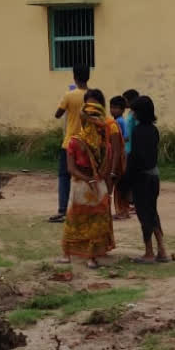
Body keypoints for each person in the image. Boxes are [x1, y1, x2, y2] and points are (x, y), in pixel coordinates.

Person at [56, 101, 116, 269]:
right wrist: (102, 185)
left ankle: (66, 255)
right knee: (95, 222)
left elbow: (71, 169)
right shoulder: (105, 146)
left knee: (74, 220)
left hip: (80, 187)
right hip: (98, 187)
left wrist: (87, 179)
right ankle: (91, 258)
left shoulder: (74, 142)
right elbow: (106, 170)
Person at [124, 95, 168, 263]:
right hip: (154, 175)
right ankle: (162, 249)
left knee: (144, 215)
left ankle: (149, 251)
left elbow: (135, 158)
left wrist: (127, 180)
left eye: (134, 111)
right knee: (152, 212)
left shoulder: (137, 132)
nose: (132, 114)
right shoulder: (153, 130)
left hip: (141, 178)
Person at [50, 64, 90, 223]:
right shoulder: (93, 96)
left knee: (64, 176)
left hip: (70, 142)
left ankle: (63, 211)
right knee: (86, 175)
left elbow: (57, 114)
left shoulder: (69, 95)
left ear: (74, 77)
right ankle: (85, 209)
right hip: (87, 143)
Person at [110, 95, 132, 220]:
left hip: (119, 156)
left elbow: (125, 137)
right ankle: (122, 210)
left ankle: (122, 211)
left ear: (122, 109)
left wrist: (115, 142)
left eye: (116, 108)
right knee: (120, 185)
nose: (113, 110)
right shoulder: (119, 121)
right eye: (111, 107)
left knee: (119, 185)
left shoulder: (119, 122)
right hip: (120, 154)